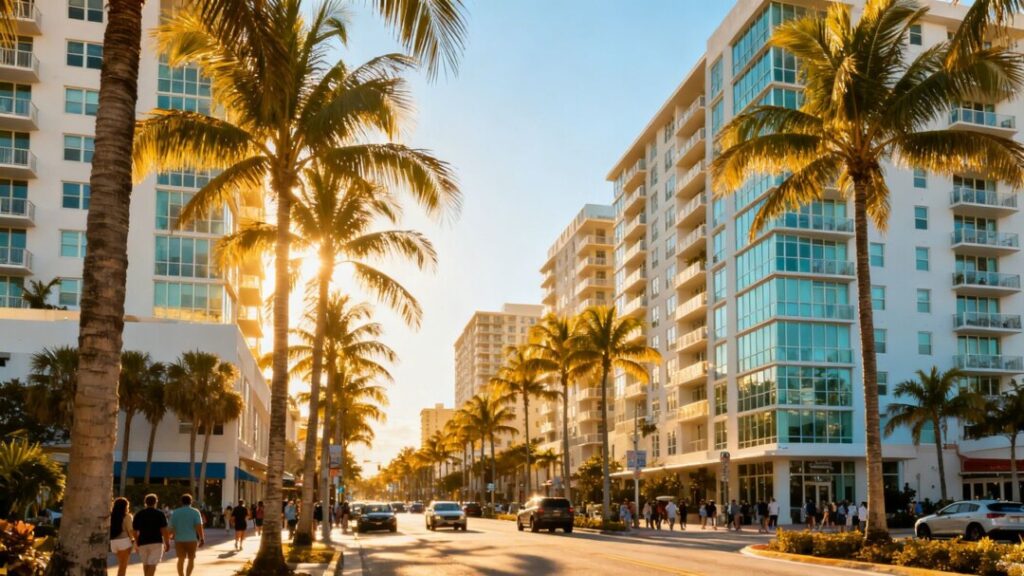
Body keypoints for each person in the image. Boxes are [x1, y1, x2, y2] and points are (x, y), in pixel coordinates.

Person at [133, 493, 171, 576]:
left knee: (145, 563)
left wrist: (136, 541)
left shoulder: (139, 514)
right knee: (152, 563)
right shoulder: (160, 514)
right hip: (156, 541)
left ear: (145, 502)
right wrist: (167, 543)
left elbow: (134, 531)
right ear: (156, 502)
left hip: (142, 542)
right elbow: (164, 530)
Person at [170, 494, 204, 576]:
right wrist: (202, 538)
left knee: (180, 560)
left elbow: (171, 527)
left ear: (181, 502)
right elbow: (199, 526)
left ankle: (181, 575)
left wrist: (172, 536)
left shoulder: (176, 512)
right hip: (192, 539)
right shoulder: (195, 512)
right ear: (191, 501)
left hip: (179, 539)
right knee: (191, 559)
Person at [109, 497, 134, 576]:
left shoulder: (111, 516)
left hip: (113, 542)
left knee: (121, 564)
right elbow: (130, 530)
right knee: (123, 566)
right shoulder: (127, 516)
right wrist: (133, 540)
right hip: (124, 542)